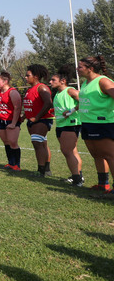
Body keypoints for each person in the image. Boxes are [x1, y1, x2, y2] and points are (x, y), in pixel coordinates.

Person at [77, 56, 114, 193]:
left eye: (80, 67)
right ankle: (103, 184)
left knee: (110, 156)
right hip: (88, 123)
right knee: (97, 155)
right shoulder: (86, 83)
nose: (77, 69)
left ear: (90, 69)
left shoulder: (103, 81)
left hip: (102, 124)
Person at [50, 64, 83, 186]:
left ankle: (77, 180)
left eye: (53, 80)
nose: (50, 82)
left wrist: (71, 111)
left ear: (63, 81)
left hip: (71, 124)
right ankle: (78, 176)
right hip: (60, 125)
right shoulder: (58, 93)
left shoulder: (70, 90)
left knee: (67, 151)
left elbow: (85, 101)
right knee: (72, 152)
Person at [23, 64, 55, 177]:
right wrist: (23, 116)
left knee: (37, 143)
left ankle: (41, 170)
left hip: (42, 120)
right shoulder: (29, 89)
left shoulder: (42, 87)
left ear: (36, 76)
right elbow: (30, 105)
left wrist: (36, 117)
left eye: (28, 75)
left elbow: (48, 103)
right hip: (33, 120)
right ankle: (46, 169)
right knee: (43, 144)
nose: (25, 77)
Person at [0, 71, 23, 171]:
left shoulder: (12, 92)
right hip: (0, 120)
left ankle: (17, 165)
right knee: (6, 142)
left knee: (12, 142)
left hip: (10, 120)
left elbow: (17, 108)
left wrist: (14, 123)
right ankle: (11, 163)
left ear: (5, 81)